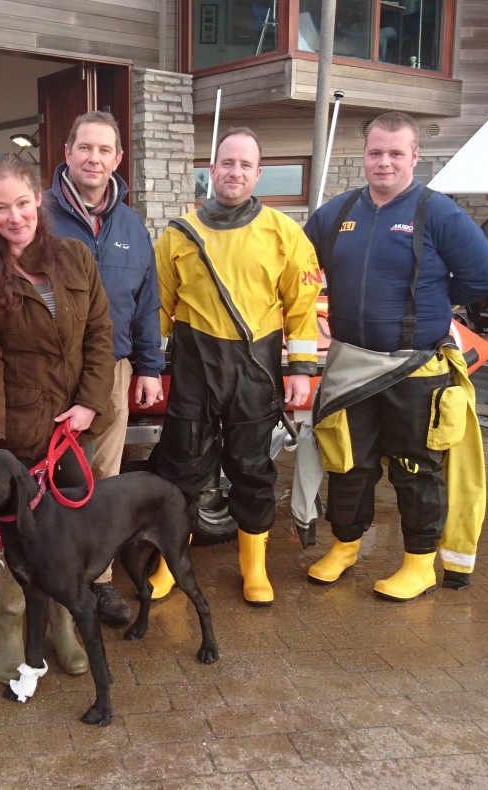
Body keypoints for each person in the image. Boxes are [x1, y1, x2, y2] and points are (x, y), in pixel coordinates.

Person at [301, 112, 488, 599]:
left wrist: (433, 301)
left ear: (415, 157)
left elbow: (485, 279)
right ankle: (345, 546)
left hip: (416, 369)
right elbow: (300, 269)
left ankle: (419, 563)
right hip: (351, 368)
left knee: (416, 468)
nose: (384, 162)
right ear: (363, 155)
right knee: (348, 464)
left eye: (395, 153)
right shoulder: (335, 213)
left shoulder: (441, 214)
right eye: (376, 152)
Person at [0, 153, 115, 684]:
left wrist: (90, 403)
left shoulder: (74, 257)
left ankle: (65, 625)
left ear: (38, 199)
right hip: (16, 430)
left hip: (71, 427)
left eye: (22, 203)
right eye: (1, 208)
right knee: (11, 537)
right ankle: (13, 629)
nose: (14, 217)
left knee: (64, 533)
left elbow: (100, 335)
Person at [154, 127, 322, 606]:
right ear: (212, 170)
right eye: (227, 163)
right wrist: (147, 367)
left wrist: (301, 370)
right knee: (182, 470)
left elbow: (302, 310)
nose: (235, 172)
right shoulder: (178, 235)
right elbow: (159, 311)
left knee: (252, 472)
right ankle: (170, 567)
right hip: (193, 372)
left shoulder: (286, 235)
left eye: (245, 165)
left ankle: (255, 571)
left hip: (256, 373)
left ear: (258, 173)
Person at [43, 110, 167, 623]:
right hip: (49, 367)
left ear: (118, 159)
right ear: (67, 153)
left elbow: (146, 300)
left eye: (104, 150)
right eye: (85, 148)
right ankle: (53, 580)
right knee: (50, 476)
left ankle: (99, 583)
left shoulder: (132, 225)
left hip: (112, 368)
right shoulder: (40, 215)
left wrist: (149, 366)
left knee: (104, 476)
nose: (94, 158)